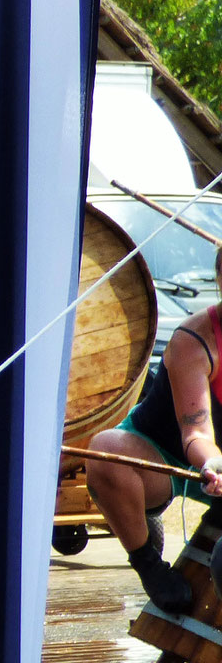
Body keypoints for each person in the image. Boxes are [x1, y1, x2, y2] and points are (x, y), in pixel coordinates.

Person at [84, 243, 222, 611]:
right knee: (105, 451)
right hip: (170, 457)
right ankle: (147, 561)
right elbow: (197, 433)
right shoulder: (193, 341)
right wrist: (213, 465)